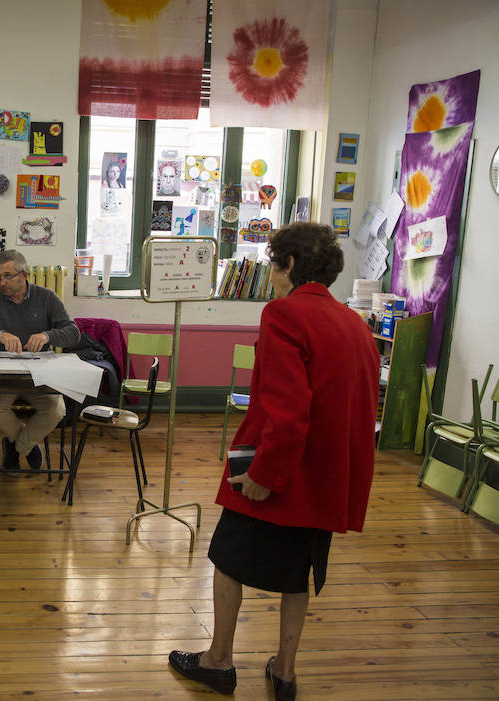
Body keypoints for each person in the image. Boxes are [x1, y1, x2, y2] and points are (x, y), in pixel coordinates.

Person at [168, 223, 380, 700]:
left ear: (287, 265)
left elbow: (287, 409)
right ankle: (284, 672)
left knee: (226, 559)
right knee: (296, 574)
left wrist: (264, 475)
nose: (271, 276)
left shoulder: (284, 314)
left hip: (277, 466)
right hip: (326, 475)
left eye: (273, 265)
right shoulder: (354, 324)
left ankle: (219, 661)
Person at [0, 249, 80, 472]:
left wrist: (48, 336)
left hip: (39, 374)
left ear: (24, 275)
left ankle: (16, 447)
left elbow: (73, 333)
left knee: (56, 411)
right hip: (1, 374)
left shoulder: (46, 297)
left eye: (7, 276)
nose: (1, 281)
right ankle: (29, 445)